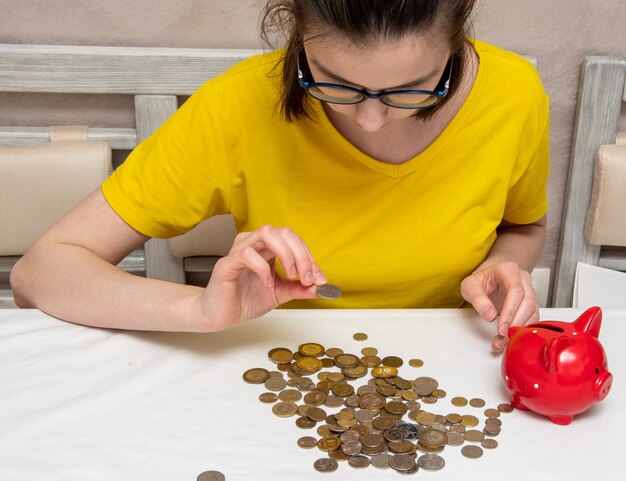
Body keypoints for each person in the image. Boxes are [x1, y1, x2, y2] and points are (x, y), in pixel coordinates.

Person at [10, 0, 549, 351]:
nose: (369, 118)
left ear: (457, 45)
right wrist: (197, 310)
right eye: (334, 83)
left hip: (455, 364)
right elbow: (39, 274)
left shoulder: (515, 93)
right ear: (296, 37)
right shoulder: (238, 103)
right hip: (281, 362)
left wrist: (503, 266)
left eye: (411, 88)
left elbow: (523, 227)